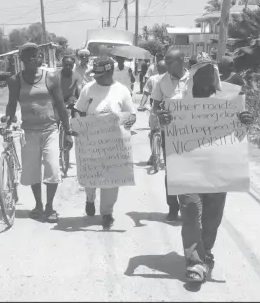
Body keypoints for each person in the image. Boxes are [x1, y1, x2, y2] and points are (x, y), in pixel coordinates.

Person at [156, 52, 254, 283]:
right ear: (194, 76)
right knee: (190, 210)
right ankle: (196, 261)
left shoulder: (229, 101)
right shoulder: (179, 102)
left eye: (212, 73)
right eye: (204, 73)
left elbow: (240, 130)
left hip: (218, 169)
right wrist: (163, 120)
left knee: (212, 216)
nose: (209, 78)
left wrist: (246, 120)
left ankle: (206, 251)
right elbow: (163, 125)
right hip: (187, 168)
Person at [3, 42, 74, 223]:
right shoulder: (15, 80)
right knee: (32, 170)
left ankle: (50, 207)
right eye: (28, 56)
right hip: (28, 132)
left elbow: (60, 105)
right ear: (22, 59)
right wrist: (8, 120)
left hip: (50, 130)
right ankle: (38, 205)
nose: (33, 59)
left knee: (52, 168)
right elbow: (11, 104)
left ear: (40, 57)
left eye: (35, 55)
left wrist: (67, 130)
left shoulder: (50, 78)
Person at [74, 56, 136, 229]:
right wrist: (78, 125)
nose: (96, 78)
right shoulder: (88, 89)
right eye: (95, 74)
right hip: (91, 140)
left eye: (100, 75)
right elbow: (78, 110)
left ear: (110, 72)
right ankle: (90, 198)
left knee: (111, 179)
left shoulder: (122, 91)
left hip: (113, 143)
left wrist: (128, 122)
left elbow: (131, 115)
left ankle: (107, 213)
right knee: (91, 175)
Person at [150, 49, 189, 222]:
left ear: (182, 60)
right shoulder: (161, 81)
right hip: (170, 133)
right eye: (165, 60)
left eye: (170, 61)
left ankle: (191, 207)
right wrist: (160, 114)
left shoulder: (194, 78)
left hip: (193, 134)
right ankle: (173, 207)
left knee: (192, 171)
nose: (166, 64)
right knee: (172, 172)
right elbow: (155, 106)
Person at [137, 60, 167, 166]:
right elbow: (146, 93)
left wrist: (141, 105)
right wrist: (141, 105)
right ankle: (156, 154)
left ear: (157, 69)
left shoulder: (154, 79)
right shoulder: (156, 79)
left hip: (157, 109)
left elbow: (146, 94)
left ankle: (154, 155)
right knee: (156, 132)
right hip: (158, 109)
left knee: (154, 132)